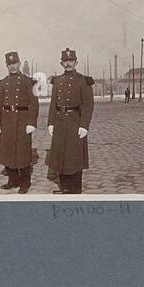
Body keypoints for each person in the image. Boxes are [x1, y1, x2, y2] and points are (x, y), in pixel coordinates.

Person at [46, 48, 95, 195]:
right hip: (60, 122)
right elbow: (53, 104)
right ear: (61, 63)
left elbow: (88, 105)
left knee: (74, 156)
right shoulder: (58, 81)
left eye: (71, 61)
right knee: (61, 154)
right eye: (65, 61)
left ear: (76, 62)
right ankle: (64, 187)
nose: (68, 64)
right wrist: (51, 123)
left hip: (75, 121)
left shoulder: (83, 81)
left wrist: (84, 125)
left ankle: (75, 189)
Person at [0, 50, 39, 193]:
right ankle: (12, 180)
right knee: (8, 151)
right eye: (9, 64)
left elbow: (34, 104)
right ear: (7, 66)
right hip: (7, 120)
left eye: (15, 63)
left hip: (23, 120)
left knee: (23, 151)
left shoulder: (28, 82)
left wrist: (31, 122)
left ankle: (25, 182)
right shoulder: (3, 83)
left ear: (19, 63)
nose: (12, 66)